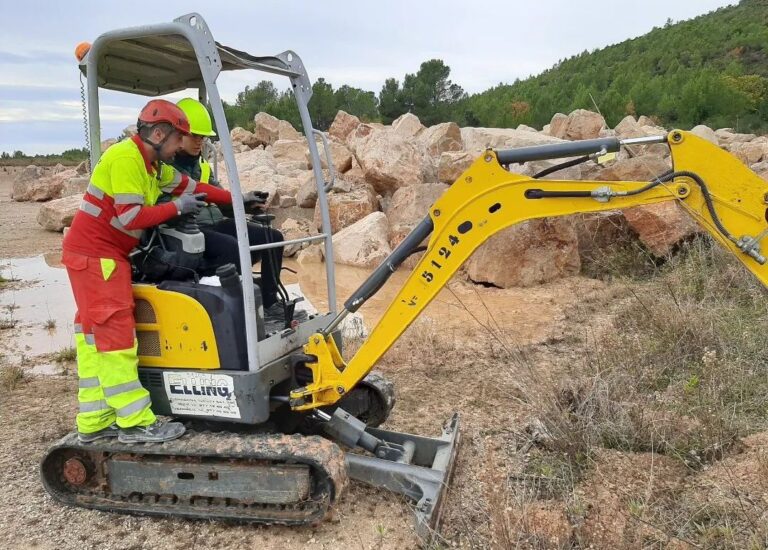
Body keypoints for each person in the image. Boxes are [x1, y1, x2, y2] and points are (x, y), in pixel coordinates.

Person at [62, 99, 232, 443]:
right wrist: (174, 208)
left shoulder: (154, 164)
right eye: (177, 139)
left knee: (93, 338)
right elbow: (129, 217)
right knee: (116, 337)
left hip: (97, 255)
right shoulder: (127, 158)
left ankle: (95, 421)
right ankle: (136, 422)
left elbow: (192, 188)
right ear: (158, 134)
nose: (179, 146)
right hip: (98, 257)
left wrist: (235, 200)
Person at [170, 98, 286, 317]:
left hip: (216, 224)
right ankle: (244, 309)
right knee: (232, 248)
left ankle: (269, 303)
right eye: (194, 136)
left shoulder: (202, 166)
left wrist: (247, 206)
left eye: (203, 137)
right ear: (177, 134)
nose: (200, 142)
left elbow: (223, 202)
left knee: (274, 237)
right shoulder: (166, 169)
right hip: (191, 231)